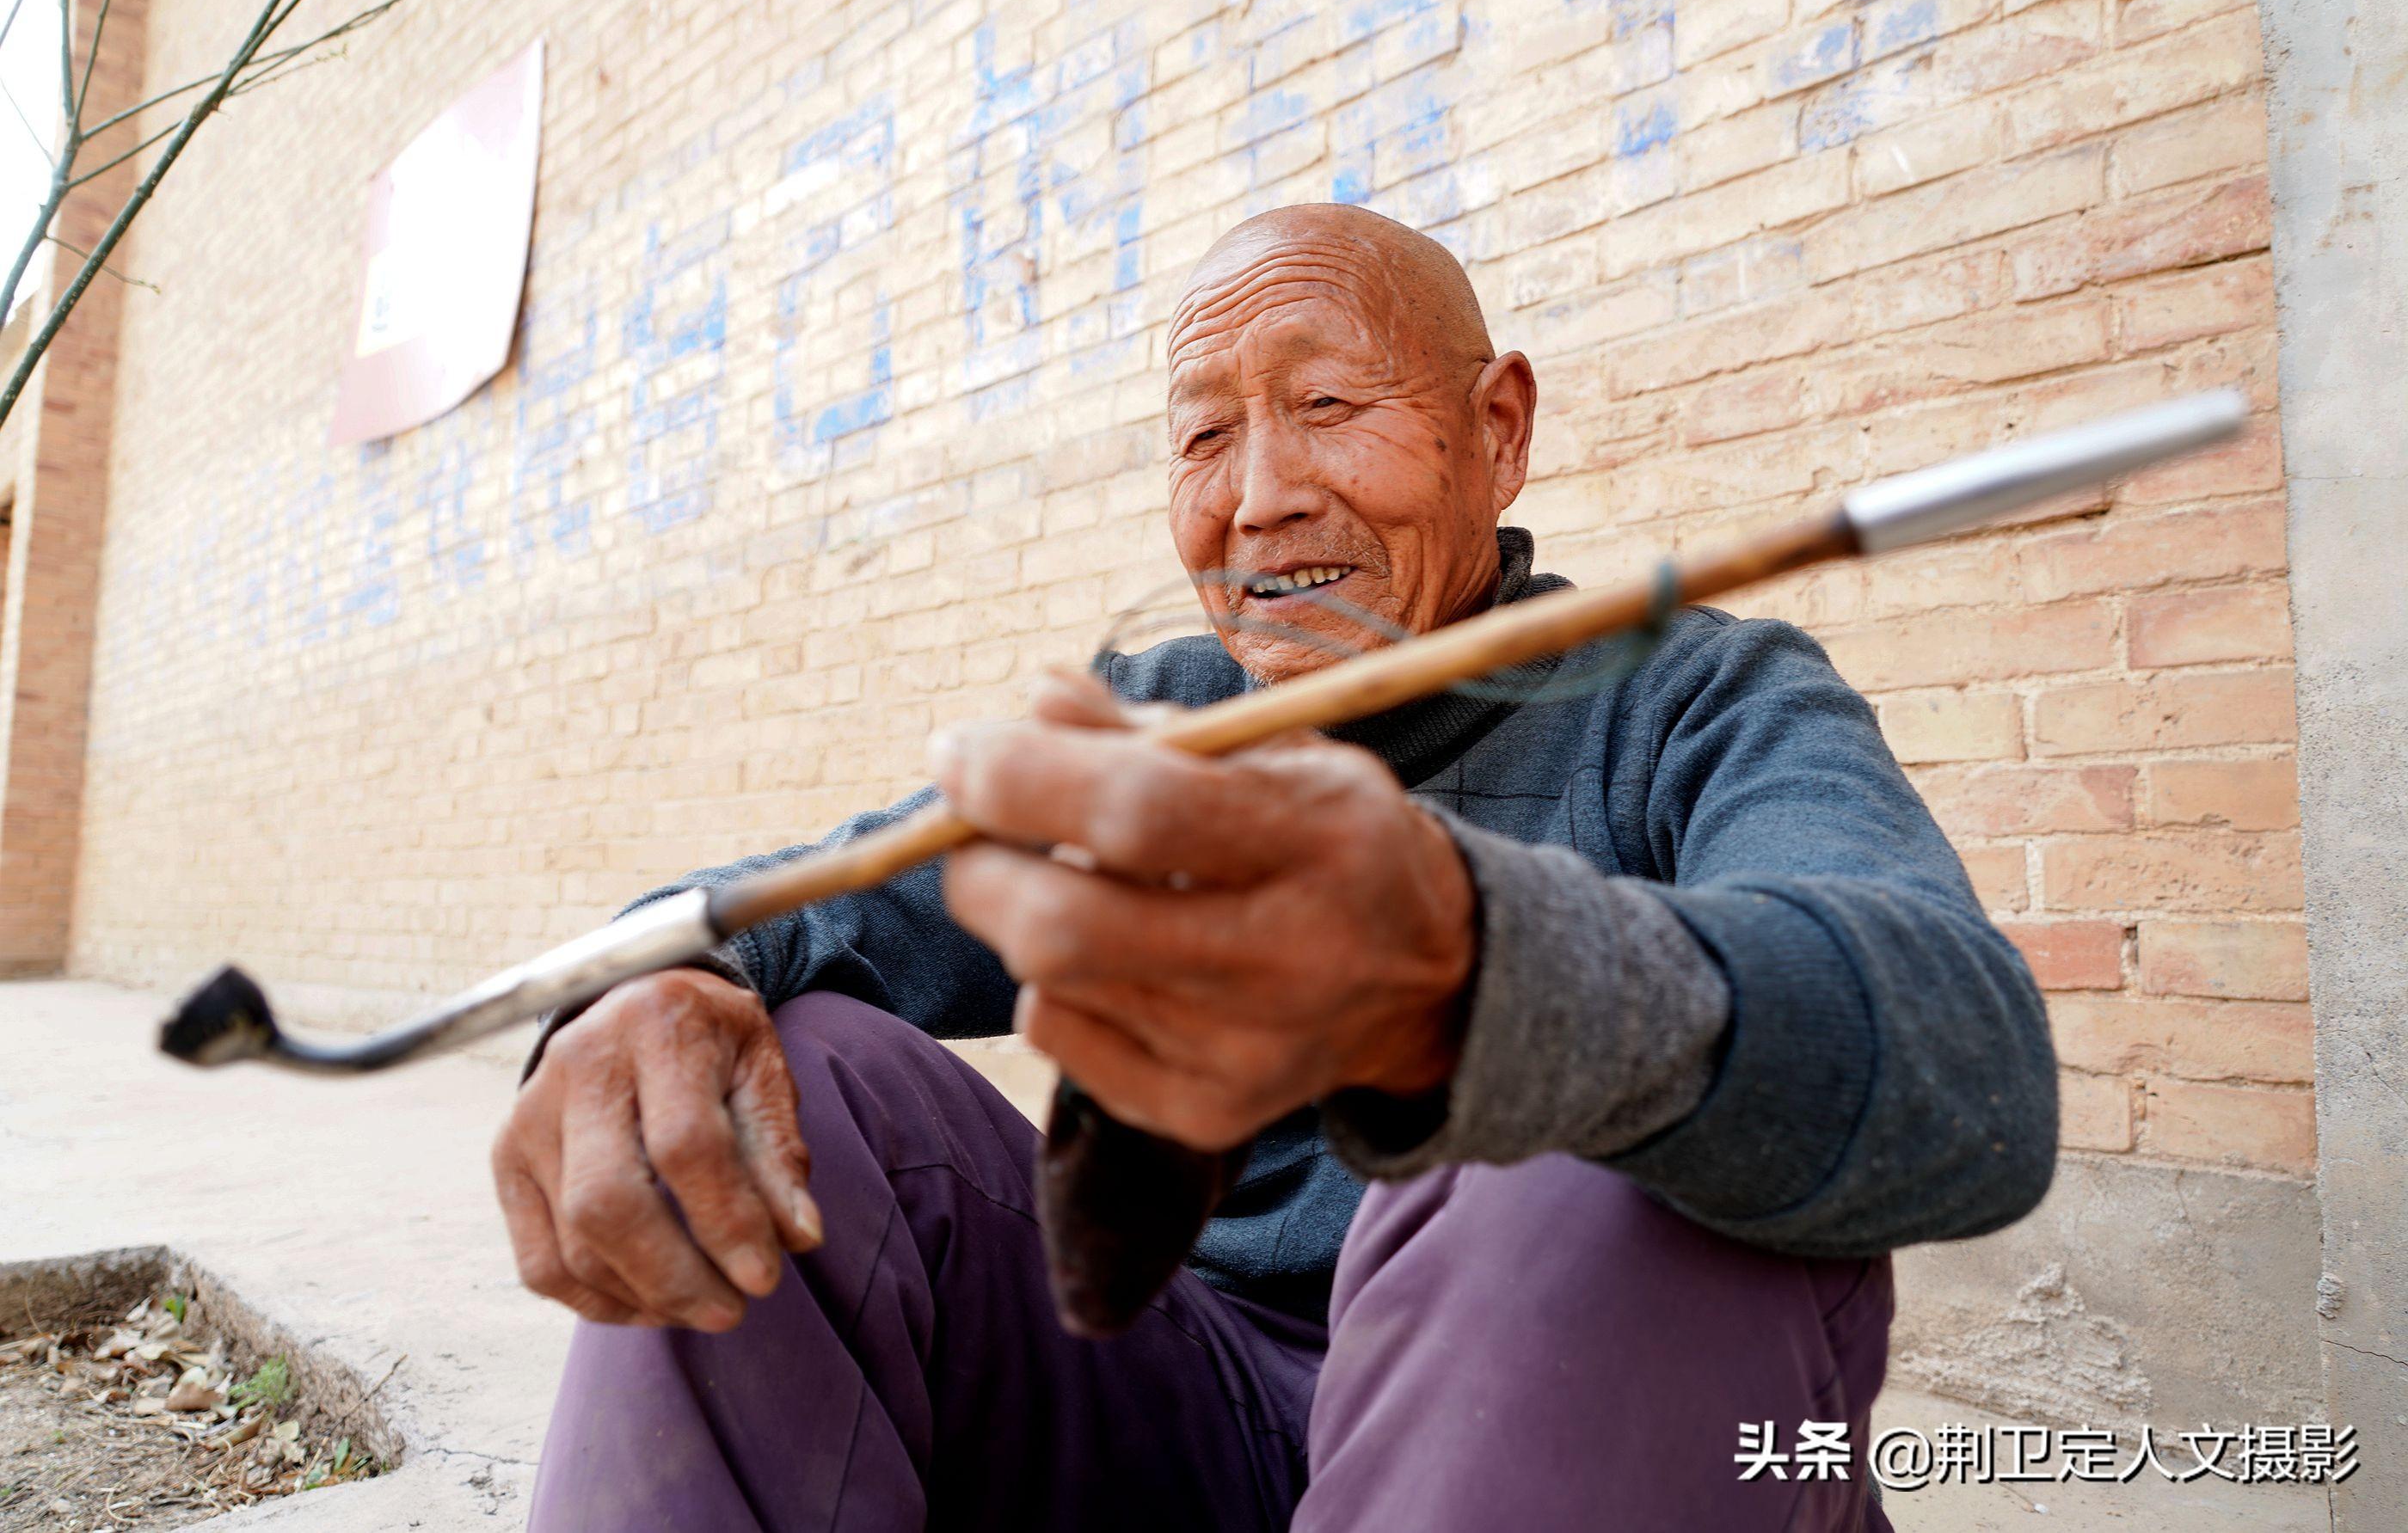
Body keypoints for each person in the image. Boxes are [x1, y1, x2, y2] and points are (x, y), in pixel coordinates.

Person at [493, 202, 2057, 1531]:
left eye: (1328, 407)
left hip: (1581, 1438)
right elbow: (800, 908)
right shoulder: (1163, 728)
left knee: (1572, 1125)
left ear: (1497, 432)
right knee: (785, 1080)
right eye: (1204, 434)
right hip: (1195, 1416)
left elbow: (1970, 1072)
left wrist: (1475, 975)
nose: (1259, 499)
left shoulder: (1694, 698)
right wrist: (646, 990)